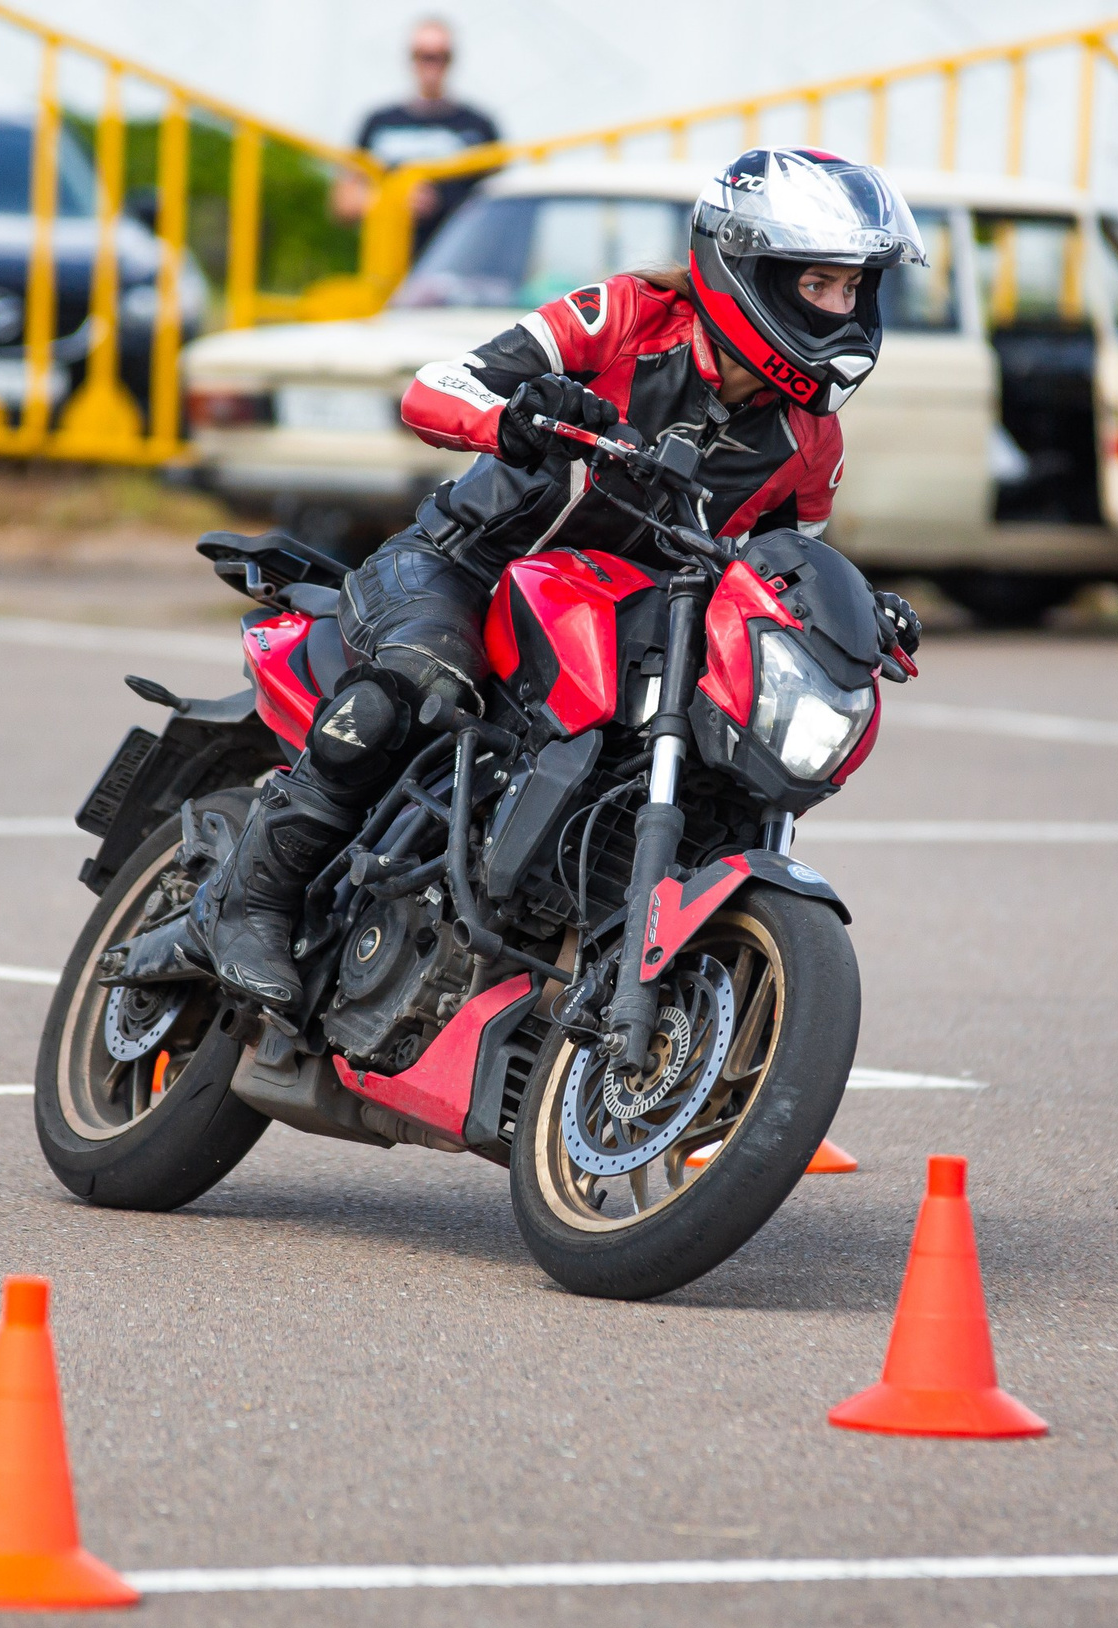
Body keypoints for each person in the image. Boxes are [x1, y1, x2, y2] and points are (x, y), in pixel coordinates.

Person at [186, 148, 927, 1013]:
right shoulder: (626, 318)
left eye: (853, 290)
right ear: (750, 268)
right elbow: (435, 388)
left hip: (618, 614)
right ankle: (249, 902)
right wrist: (516, 418)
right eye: (820, 287)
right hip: (465, 562)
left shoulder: (810, 444)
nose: (841, 310)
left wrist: (855, 608)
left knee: (708, 755)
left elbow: (779, 575)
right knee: (412, 687)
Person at [331, 18, 499, 257]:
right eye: (423, 55)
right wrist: (394, 201)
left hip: (456, 268)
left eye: (440, 56)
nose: (431, 65)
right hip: (387, 269)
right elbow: (343, 203)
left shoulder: (479, 126)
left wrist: (446, 204)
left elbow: (499, 206)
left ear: (451, 59)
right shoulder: (378, 122)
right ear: (411, 58)